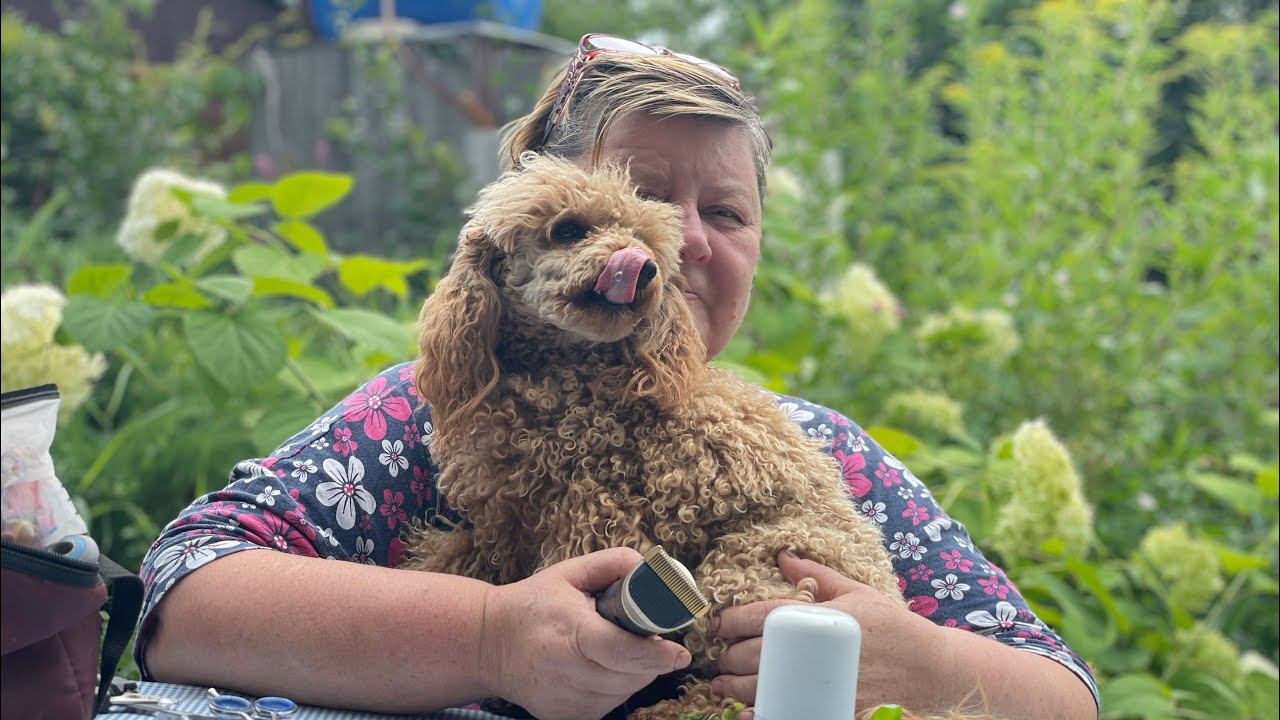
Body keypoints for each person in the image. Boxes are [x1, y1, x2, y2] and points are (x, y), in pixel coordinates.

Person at [139, 33, 1100, 720]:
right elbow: (185, 598)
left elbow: (1062, 693)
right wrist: (490, 638)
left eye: (725, 211)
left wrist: (921, 668)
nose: (679, 241)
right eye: (637, 194)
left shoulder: (823, 451)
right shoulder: (441, 410)